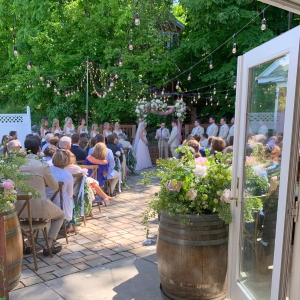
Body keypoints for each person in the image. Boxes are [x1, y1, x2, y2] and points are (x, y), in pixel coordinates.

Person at [16, 137, 64, 256]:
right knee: (60, 216)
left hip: (19, 210)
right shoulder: (42, 165)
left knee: (30, 218)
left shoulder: (16, 165)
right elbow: (54, 187)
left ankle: (28, 244)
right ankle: (49, 243)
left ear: (24, 149)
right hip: (39, 207)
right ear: (39, 149)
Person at [48, 150, 74, 228]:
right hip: (59, 203)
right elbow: (70, 194)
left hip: (45, 199)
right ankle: (69, 225)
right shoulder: (67, 175)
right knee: (72, 201)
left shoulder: (47, 169)